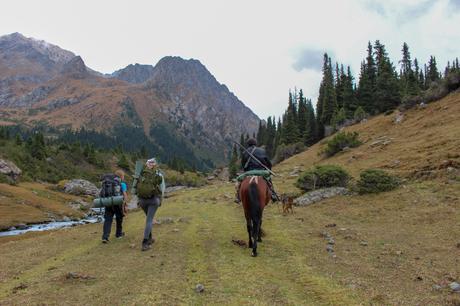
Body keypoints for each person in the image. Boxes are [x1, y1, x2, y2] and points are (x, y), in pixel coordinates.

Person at [236, 138, 279, 202]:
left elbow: (243, 164)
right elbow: (268, 163)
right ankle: (273, 194)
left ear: (248, 144)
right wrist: (268, 170)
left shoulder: (245, 152)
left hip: (249, 172)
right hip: (261, 172)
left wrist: (246, 170)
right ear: (256, 143)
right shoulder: (262, 151)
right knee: (269, 180)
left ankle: (238, 197)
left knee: (240, 181)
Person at [136, 158, 165, 251]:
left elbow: (136, 187)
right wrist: (160, 199)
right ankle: (144, 243)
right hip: (153, 200)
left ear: (146, 164)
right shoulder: (158, 174)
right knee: (149, 220)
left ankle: (150, 238)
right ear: (155, 165)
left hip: (142, 201)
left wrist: (138, 200)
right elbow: (162, 188)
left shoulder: (140, 173)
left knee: (148, 218)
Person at [102, 170, 129, 243]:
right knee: (119, 218)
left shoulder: (108, 182)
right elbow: (124, 194)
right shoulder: (122, 184)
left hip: (108, 202)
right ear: (121, 176)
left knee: (108, 219)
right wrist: (125, 204)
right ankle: (118, 234)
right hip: (118, 203)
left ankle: (105, 237)